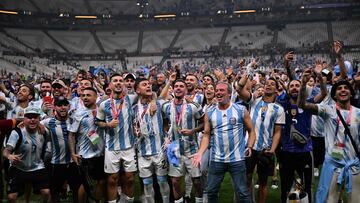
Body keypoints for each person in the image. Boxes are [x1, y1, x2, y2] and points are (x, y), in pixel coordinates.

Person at [299, 72, 360, 202]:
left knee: (356, 200)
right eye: (339, 88)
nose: (343, 90)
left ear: (351, 93)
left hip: (354, 165)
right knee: (329, 200)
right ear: (334, 94)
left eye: (346, 88)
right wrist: (303, 84)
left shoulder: (358, 113)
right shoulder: (328, 110)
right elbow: (302, 105)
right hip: (333, 164)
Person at [192, 82, 255, 203]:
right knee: (211, 191)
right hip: (217, 160)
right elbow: (206, 135)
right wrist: (200, 152)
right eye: (217, 90)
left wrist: (250, 146)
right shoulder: (210, 112)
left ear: (229, 93)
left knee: (242, 192)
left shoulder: (240, 110)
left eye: (222, 90)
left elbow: (251, 130)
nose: (218, 92)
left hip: (237, 159)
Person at [236, 73, 285, 203]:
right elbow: (239, 90)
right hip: (249, 147)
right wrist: (246, 74)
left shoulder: (279, 109)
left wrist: (273, 149)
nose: (268, 85)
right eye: (267, 83)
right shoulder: (254, 100)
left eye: (272, 84)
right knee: (246, 178)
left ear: (276, 89)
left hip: (265, 149)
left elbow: (277, 132)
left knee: (263, 182)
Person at [96, 73, 138, 203]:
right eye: (115, 81)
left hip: (129, 146)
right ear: (110, 85)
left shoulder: (131, 99)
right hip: (111, 147)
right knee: (112, 179)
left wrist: (153, 101)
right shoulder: (103, 104)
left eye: (121, 81)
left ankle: (127, 201)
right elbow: (98, 122)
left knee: (130, 178)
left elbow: (151, 94)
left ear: (124, 84)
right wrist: (108, 124)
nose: (119, 83)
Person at [162, 79, 204, 203]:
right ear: (173, 89)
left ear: (185, 90)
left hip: (191, 149)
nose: (179, 88)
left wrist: (193, 131)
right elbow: (164, 120)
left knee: (196, 180)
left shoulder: (194, 106)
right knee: (175, 181)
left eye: (181, 86)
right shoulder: (166, 106)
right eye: (176, 86)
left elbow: (204, 122)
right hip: (174, 149)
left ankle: (199, 200)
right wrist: (166, 134)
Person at [133, 78, 170, 203]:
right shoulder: (133, 109)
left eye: (149, 84)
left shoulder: (158, 104)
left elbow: (164, 97)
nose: (148, 86)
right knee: (147, 184)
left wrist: (169, 81)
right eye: (144, 85)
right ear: (137, 90)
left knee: (162, 181)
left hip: (159, 151)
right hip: (143, 153)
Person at [3, 106, 50, 203]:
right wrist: (10, 156)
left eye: (35, 117)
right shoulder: (17, 132)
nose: (32, 120)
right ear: (24, 119)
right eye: (29, 117)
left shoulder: (44, 132)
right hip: (18, 167)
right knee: (11, 197)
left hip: (37, 167)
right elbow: (5, 152)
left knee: (46, 192)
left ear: (39, 119)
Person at [69, 87, 106, 203]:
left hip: (101, 153)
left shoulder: (102, 110)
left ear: (96, 97)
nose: (85, 97)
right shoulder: (78, 113)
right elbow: (71, 135)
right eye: (83, 95)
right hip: (85, 155)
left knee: (102, 180)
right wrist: (73, 153)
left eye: (88, 95)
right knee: (85, 185)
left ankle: (96, 201)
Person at [41, 96, 80, 203]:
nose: (62, 108)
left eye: (64, 105)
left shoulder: (74, 121)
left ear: (68, 106)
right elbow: (33, 125)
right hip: (57, 163)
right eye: (59, 105)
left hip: (74, 162)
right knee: (54, 192)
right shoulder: (48, 122)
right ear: (54, 107)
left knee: (78, 189)